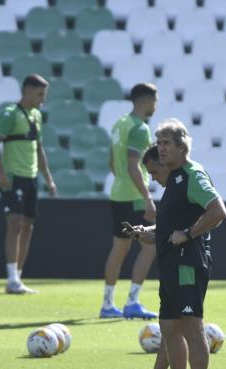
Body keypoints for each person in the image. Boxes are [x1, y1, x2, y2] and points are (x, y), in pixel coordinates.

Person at [123, 119, 226, 369]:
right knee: (169, 329)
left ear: (182, 146)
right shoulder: (177, 179)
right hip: (171, 263)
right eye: (159, 141)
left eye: (166, 142)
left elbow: (218, 211)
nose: (161, 147)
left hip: (187, 263)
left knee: (192, 328)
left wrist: (190, 234)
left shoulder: (192, 174)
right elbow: (173, 226)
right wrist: (149, 231)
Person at [0, 74, 56, 294]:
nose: (42, 99)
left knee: (28, 226)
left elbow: (39, 149)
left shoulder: (36, 115)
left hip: (31, 177)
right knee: (15, 224)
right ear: (26, 91)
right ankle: (11, 278)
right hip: (13, 176)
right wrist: (1, 173)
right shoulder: (10, 114)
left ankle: (17, 277)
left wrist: (49, 179)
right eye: (39, 94)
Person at [99, 83, 158, 319]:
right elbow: (133, 164)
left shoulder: (119, 124)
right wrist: (147, 197)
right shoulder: (139, 128)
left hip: (118, 193)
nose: (156, 105)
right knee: (150, 246)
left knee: (120, 247)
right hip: (134, 196)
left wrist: (123, 181)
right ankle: (132, 302)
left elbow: (112, 161)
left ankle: (107, 304)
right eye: (155, 100)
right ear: (145, 101)